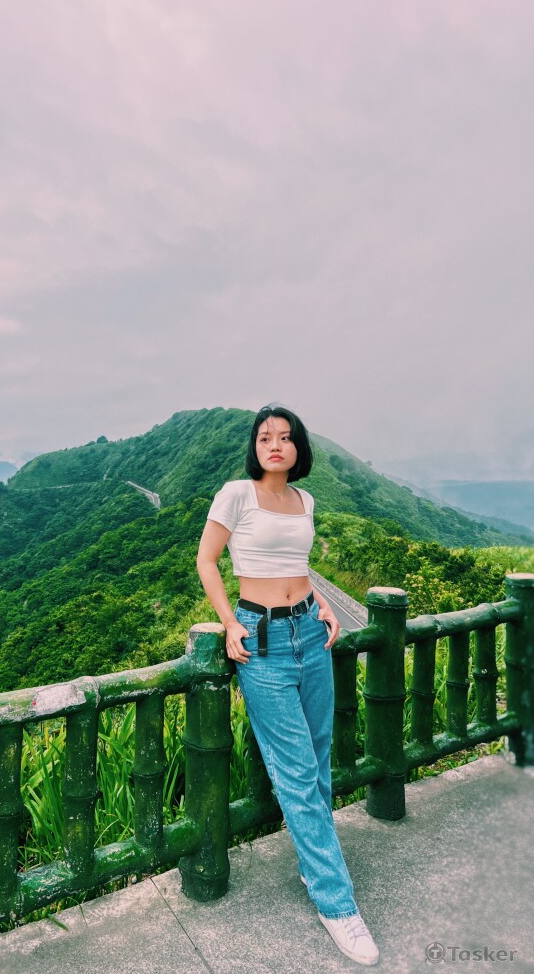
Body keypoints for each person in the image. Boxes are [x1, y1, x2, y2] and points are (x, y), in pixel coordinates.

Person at [196, 403, 379, 967]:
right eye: (265, 437)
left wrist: (324, 605)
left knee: (318, 760)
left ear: (299, 447)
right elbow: (207, 561)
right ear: (254, 448)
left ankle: (313, 862)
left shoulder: (306, 501)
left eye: (284, 437)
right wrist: (229, 623)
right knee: (296, 771)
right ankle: (337, 903)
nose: (274, 445)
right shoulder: (236, 494)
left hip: (309, 634)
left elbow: (298, 568)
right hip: (262, 641)